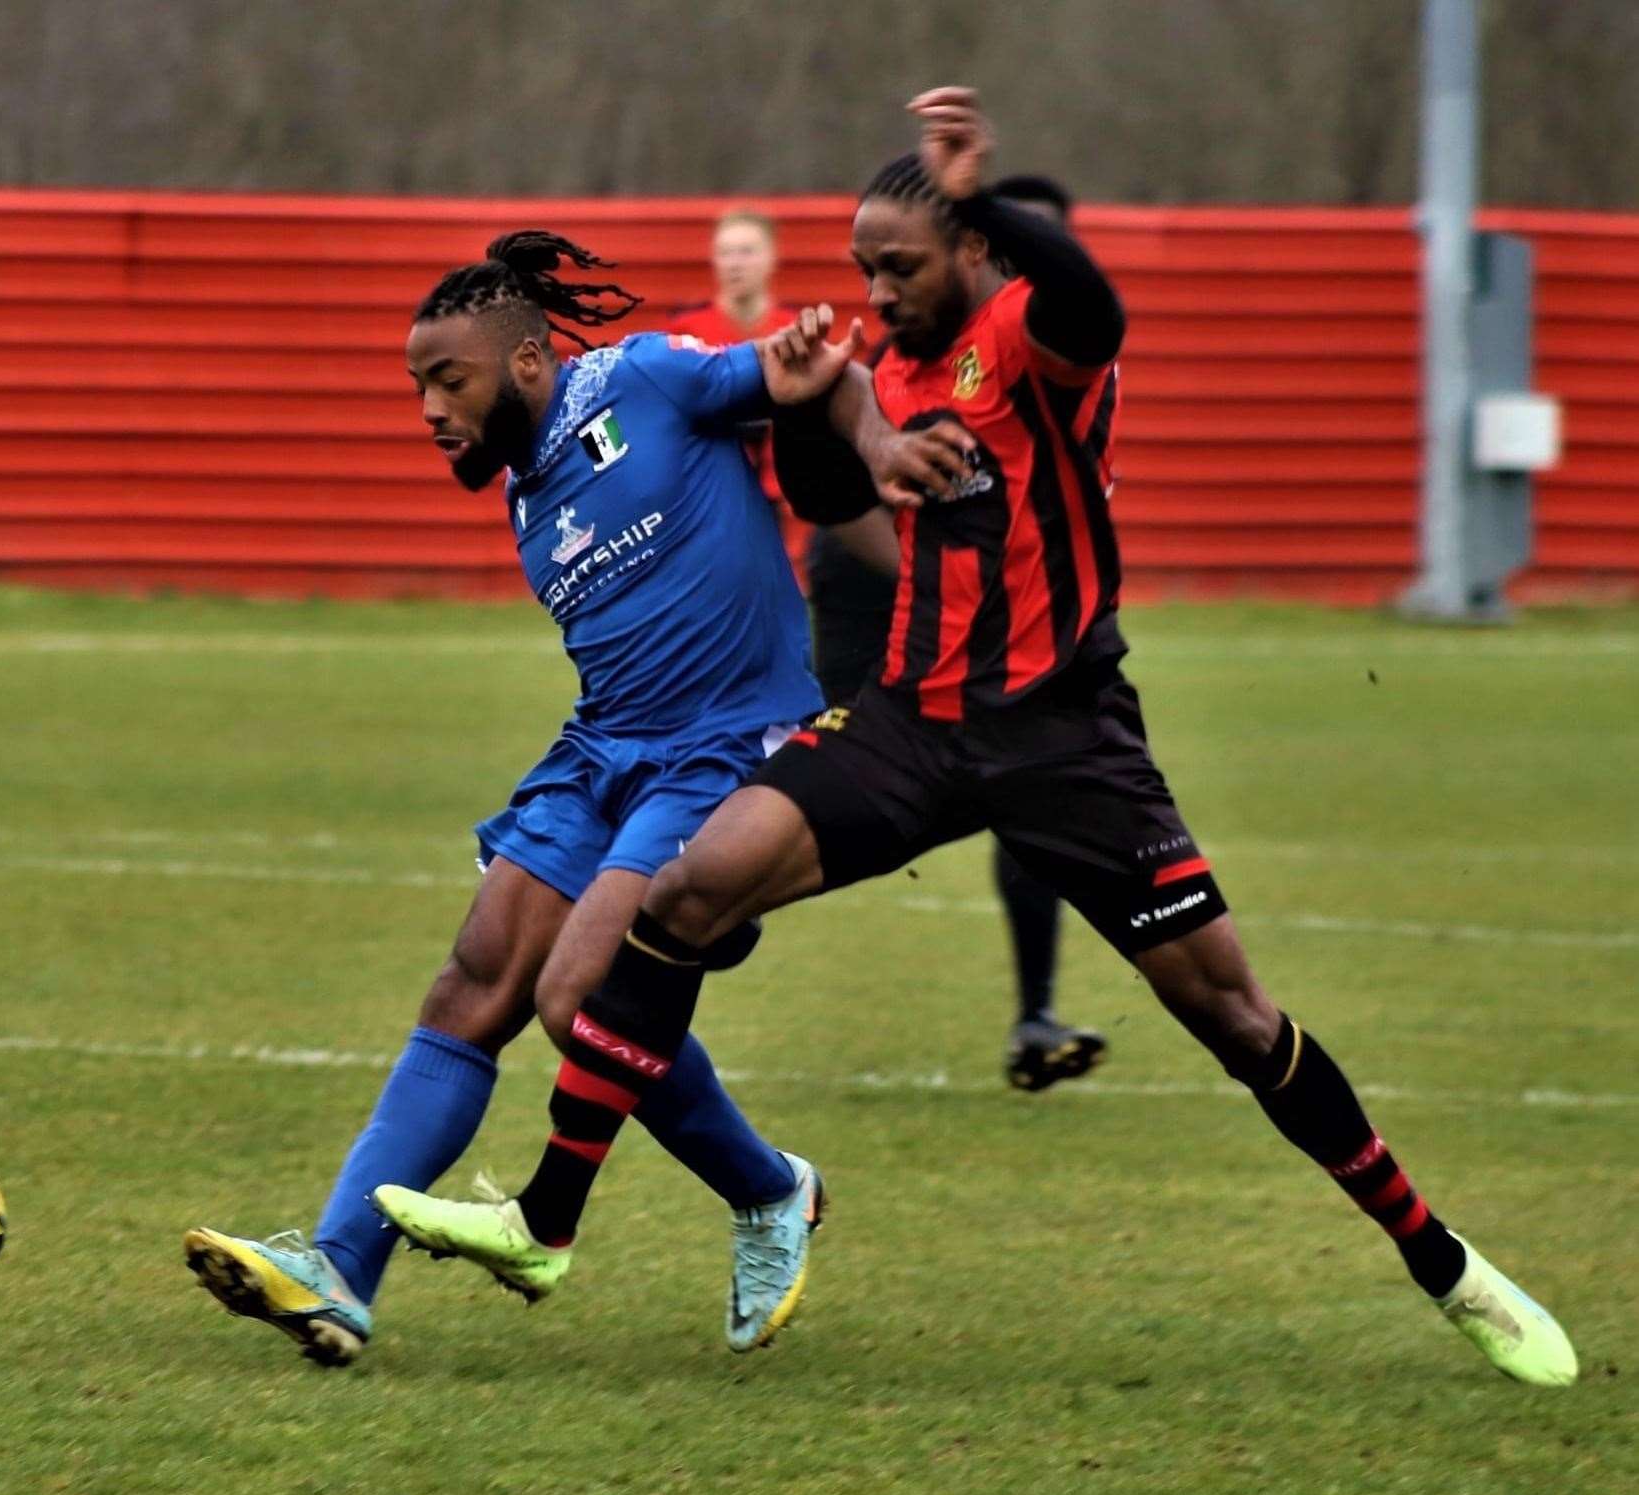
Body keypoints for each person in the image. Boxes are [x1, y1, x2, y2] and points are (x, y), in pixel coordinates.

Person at [374, 91, 1578, 1389]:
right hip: (907, 723)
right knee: (685, 888)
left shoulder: (1030, 337)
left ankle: (1441, 1262)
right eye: (864, 270)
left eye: (900, 265)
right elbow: (831, 494)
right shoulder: (882, 371)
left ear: (968, 255)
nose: (878, 291)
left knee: (1230, 1013)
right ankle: (548, 1223)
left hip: (1063, 737)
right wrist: (826, 426)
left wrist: (989, 197)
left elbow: (1094, 308)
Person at [182, 230, 938, 1363]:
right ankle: (337, 1268)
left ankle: (765, 1187)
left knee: (577, 990)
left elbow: (804, 379)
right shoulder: (527, 491)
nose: (430, 408)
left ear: (527, 363)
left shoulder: (641, 377)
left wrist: (863, 423)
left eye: (450, 380)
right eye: (416, 387)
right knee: (475, 977)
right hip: (606, 748)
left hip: (724, 748)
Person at [803, 172, 1105, 1093]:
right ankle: (690, 900)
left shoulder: (1048, 354)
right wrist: (941, 583)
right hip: (875, 619)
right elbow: (838, 500)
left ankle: (1033, 1012)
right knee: (780, 797)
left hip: (989, 654)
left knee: (1028, 812)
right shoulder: (914, 356)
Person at [669, 209, 808, 570]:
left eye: (747, 251)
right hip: (707, 491)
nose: (735, 263)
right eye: (726, 252)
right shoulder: (686, 330)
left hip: (783, 488)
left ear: (771, 257)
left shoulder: (795, 329)